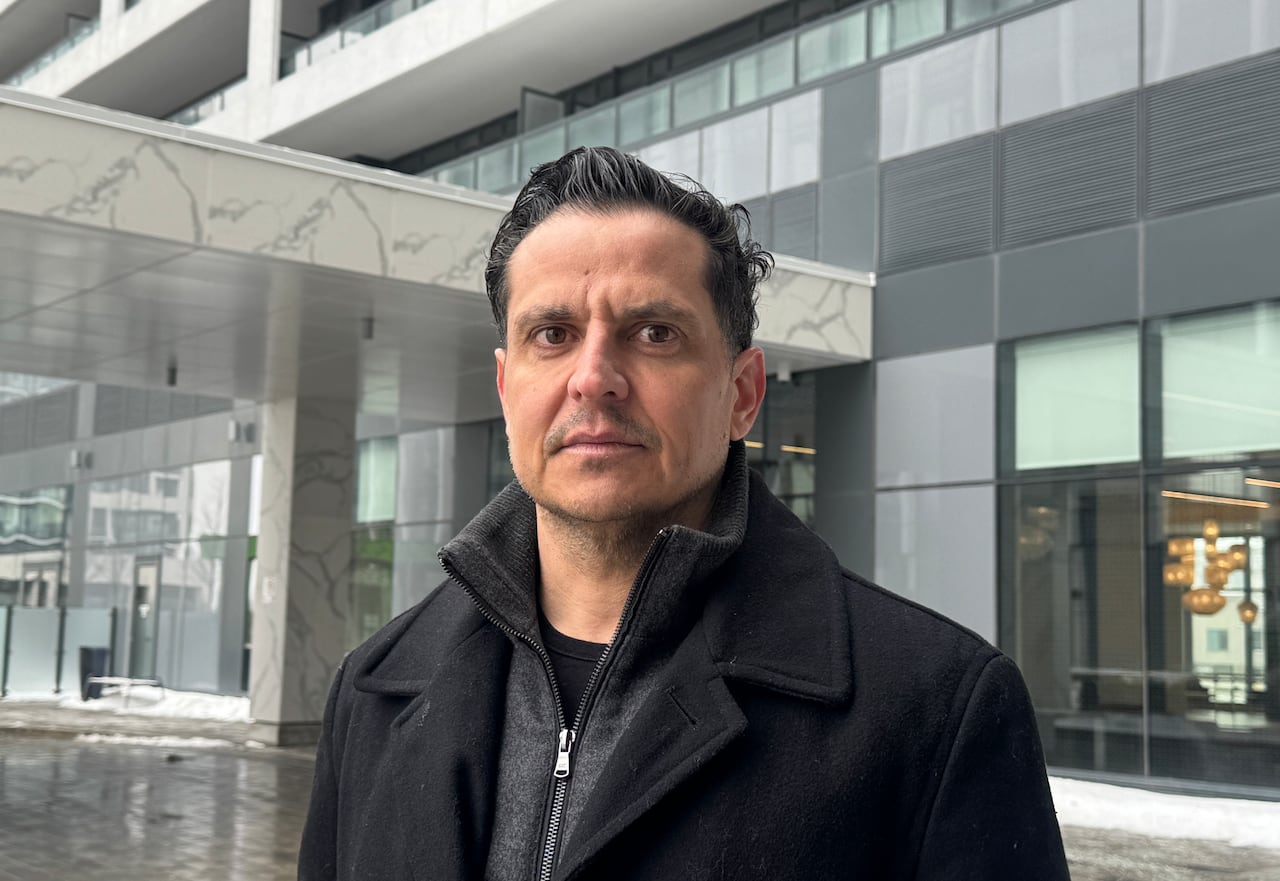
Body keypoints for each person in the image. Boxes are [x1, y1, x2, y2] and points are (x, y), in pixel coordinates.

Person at [298, 146, 1070, 881]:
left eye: (654, 333)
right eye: (553, 334)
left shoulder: (935, 709)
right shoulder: (373, 689)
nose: (593, 377)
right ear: (506, 388)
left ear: (742, 395)